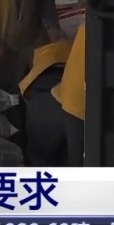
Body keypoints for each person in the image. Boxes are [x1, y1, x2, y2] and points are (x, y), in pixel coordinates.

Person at [17, 24, 86, 166]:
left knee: (40, 156)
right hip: (76, 101)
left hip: (58, 99)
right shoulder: (79, 37)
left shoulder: (85, 31)